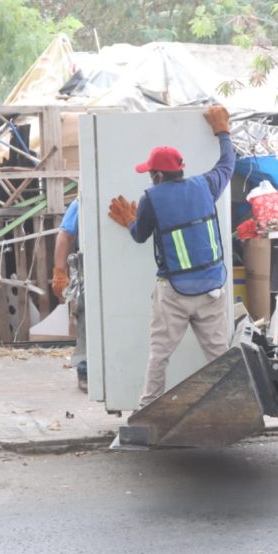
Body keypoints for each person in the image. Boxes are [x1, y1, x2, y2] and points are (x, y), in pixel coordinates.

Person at [107, 105, 234, 408]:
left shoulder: (152, 197)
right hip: (212, 288)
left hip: (174, 292)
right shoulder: (206, 185)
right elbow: (228, 163)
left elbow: (140, 235)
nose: (150, 178)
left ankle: (148, 408)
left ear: (158, 175)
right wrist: (222, 133)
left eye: (150, 173)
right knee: (219, 355)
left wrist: (130, 221)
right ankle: (233, 404)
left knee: (160, 354)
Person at [53, 197, 86, 392]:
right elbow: (65, 235)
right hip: (88, 270)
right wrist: (59, 272)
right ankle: (85, 372)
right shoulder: (81, 202)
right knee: (85, 323)